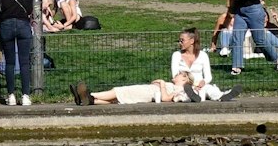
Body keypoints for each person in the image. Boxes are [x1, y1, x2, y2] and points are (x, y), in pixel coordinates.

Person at [78, 28, 226, 105]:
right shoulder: (176, 56)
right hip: (181, 86)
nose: (180, 43)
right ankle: (89, 98)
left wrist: (200, 82)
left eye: (182, 40)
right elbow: (175, 75)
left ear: (192, 41)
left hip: (194, 85)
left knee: (210, 89)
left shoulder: (203, 56)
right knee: (121, 95)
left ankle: (89, 96)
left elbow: (208, 76)